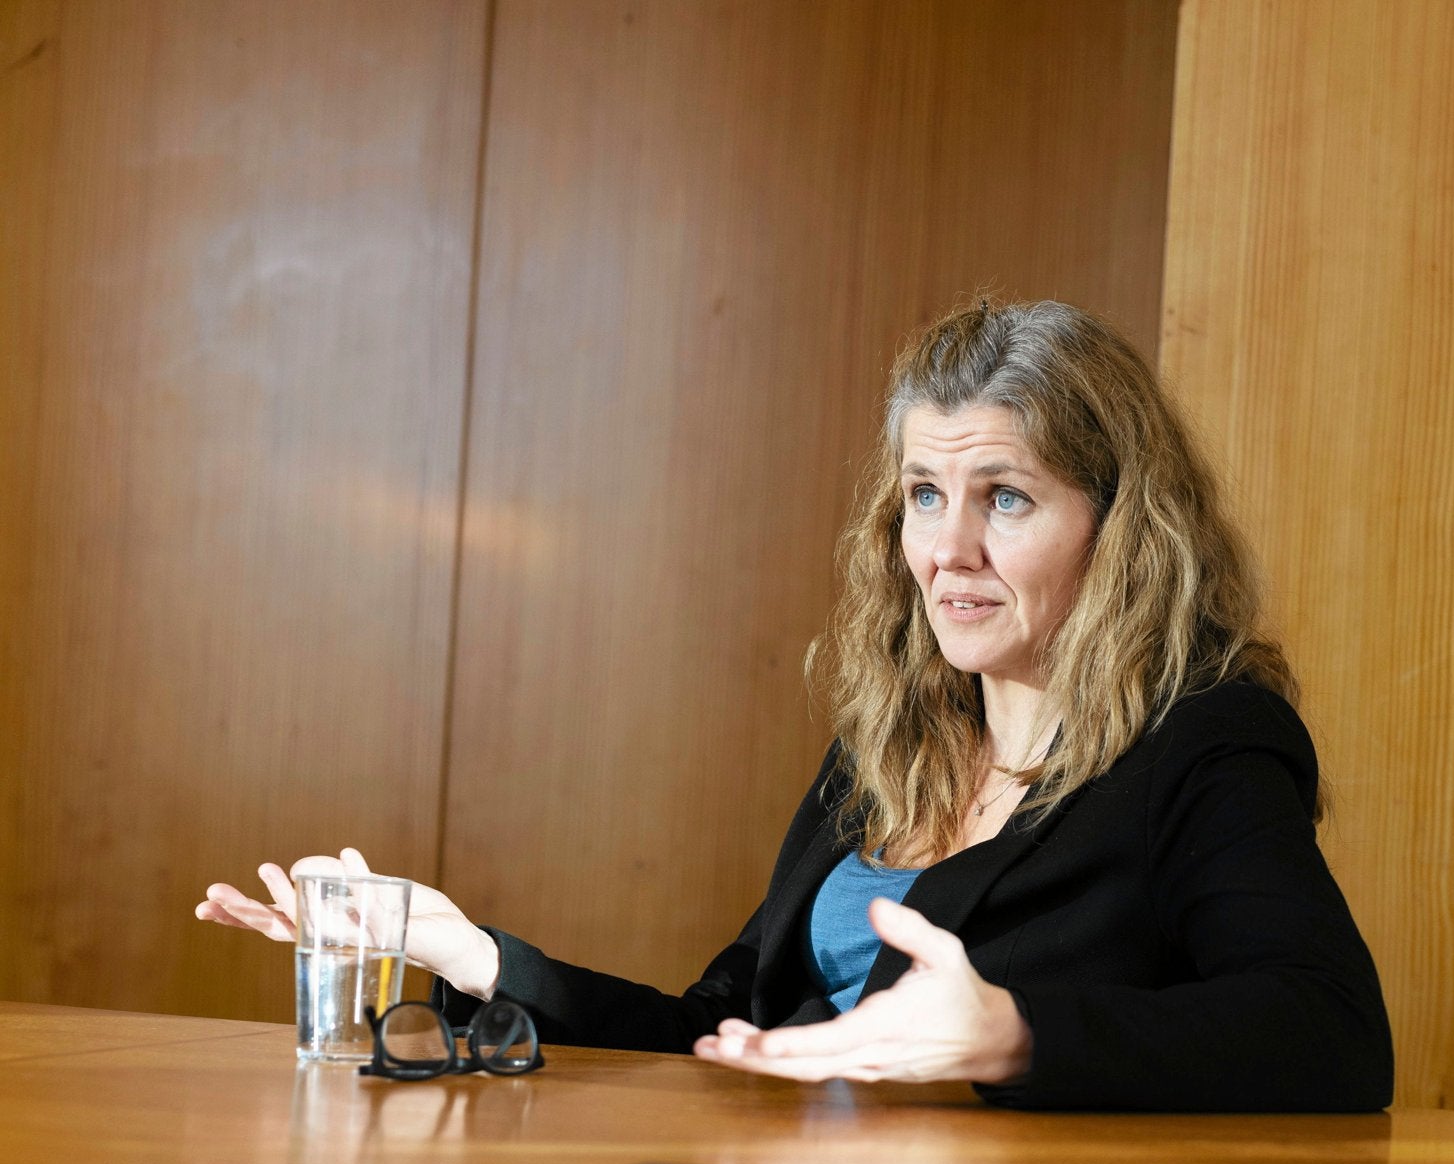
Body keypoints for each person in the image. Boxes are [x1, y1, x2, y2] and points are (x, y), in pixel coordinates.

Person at [199, 300, 1391, 1112]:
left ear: (1120, 525)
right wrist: (464, 949)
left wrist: (1016, 1035)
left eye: (1006, 497)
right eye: (925, 495)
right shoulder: (887, 745)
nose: (950, 550)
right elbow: (720, 1030)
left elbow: (1330, 1030)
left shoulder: (1205, 743)